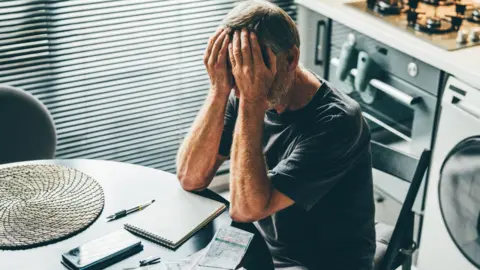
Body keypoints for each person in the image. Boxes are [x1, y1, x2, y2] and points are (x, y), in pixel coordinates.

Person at [176, 1, 375, 269]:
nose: (241, 84)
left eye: (255, 70)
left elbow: (246, 210)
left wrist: (251, 99)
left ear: (291, 59)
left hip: (323, 261)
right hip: (265, 246)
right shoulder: (241, 89)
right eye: (236, 71)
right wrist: (218, 90)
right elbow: (191, 177)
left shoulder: (337, 121)